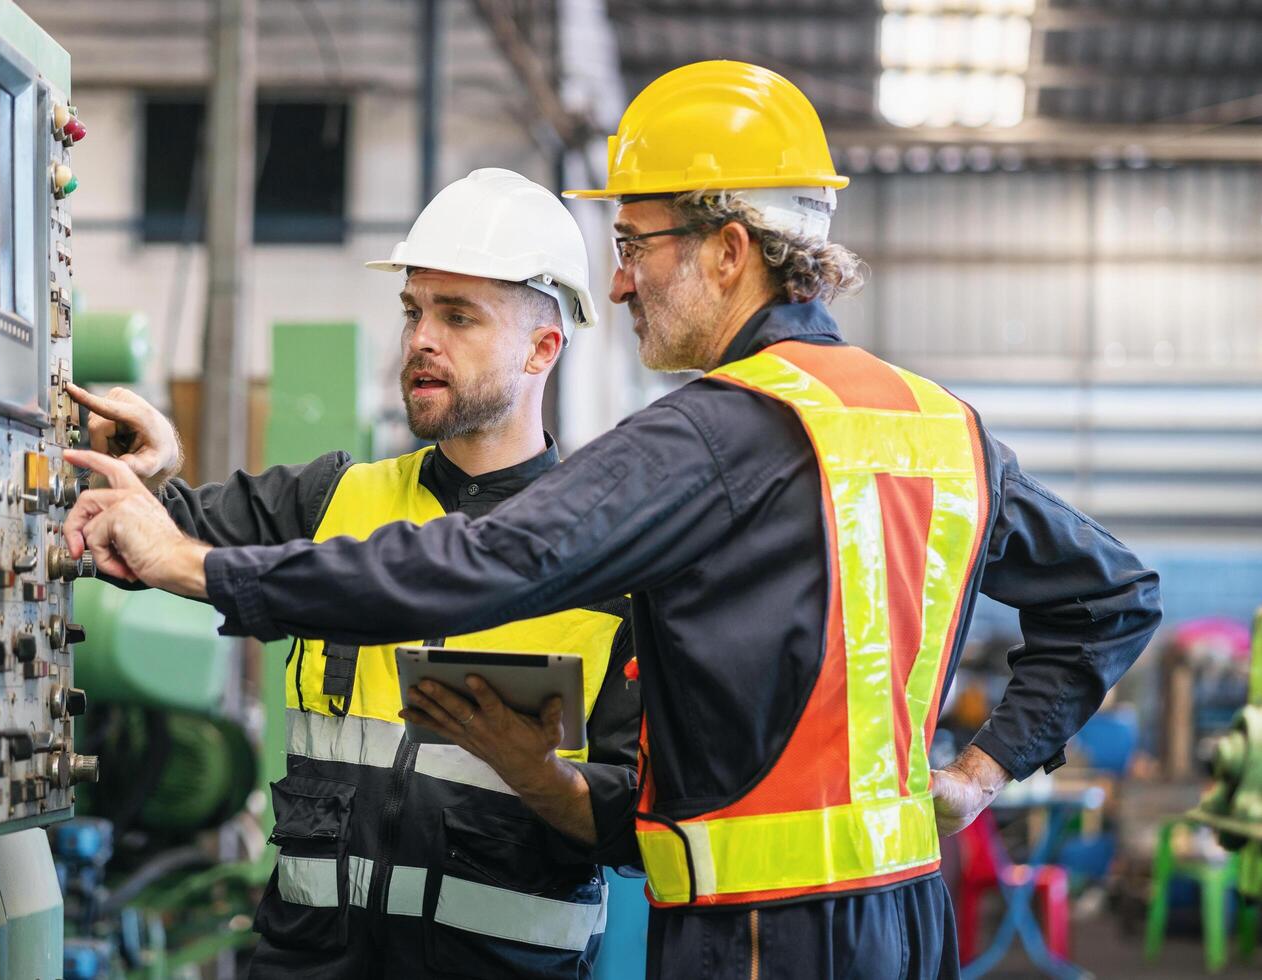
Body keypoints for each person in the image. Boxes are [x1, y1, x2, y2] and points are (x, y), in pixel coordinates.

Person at [65, 63, 1162, 978]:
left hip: (756, 935)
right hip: (905, 921)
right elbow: (1116, 591)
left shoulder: (714, 437)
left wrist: (210, 572)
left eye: (636, 245)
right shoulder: (934, 425)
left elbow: (489, 555)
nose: (624, 283)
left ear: (730, 248)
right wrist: (978, 774)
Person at [66, 168, 641, 979]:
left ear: (543, 347)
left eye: (458, 316)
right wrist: (136, 471)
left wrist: (537, 775)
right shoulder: (337, 498)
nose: (421, 340)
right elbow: (141, 537)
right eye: (414, 312)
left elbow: (637, 826)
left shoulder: (613, 566)